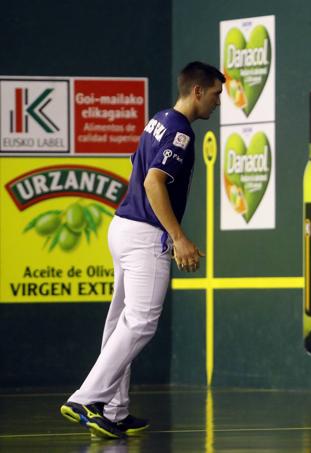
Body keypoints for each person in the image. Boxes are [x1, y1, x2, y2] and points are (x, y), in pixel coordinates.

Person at [60, 61, 225, 439]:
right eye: (216, 94)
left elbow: (136, 162)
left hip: (123, 226)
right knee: (141, 322)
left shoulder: (160, 119)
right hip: (145, 234)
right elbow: (153, 182)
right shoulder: (181, 131)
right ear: (198, 91)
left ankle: (114, 410)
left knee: (121, 321)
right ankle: (87, 399)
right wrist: (179, 236)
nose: (219, 102)